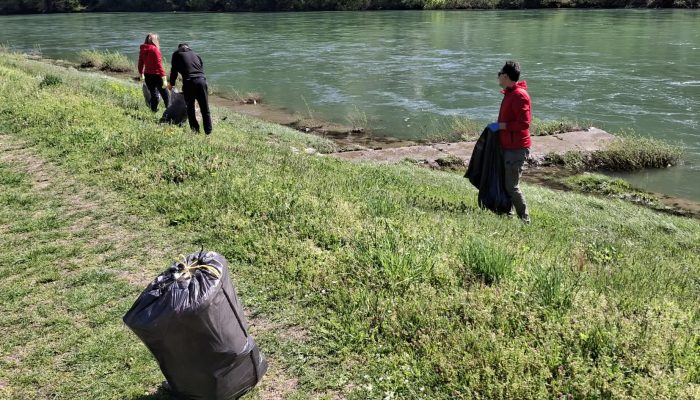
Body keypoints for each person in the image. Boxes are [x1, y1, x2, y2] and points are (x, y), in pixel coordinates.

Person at [487, 61, 532, 223]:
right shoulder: (510, 93)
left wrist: (501, 126)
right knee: (505, 183)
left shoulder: (519, 95)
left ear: (505, 76)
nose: (498, 76)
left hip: (516, 148)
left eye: (499, 73)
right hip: (508, 146)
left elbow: (524, 123)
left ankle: (525, 219)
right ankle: (507, 213)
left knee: (512, 186)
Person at [168, 43, 212, 135]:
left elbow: (174, 71)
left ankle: (195, 131)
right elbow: (201, 69)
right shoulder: (196, 54)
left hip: (189, 82)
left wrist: (171, 84)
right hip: (202, 81)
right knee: (205, 108)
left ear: (179, 48)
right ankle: (208, 132)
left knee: (190, 108)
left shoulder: (176, 54)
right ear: (188, 48)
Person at [138, 33, 170, 112]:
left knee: (153, 95)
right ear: (155, 41)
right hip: (157, 75)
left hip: (148, 76)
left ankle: (153, 111)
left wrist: (141, 73)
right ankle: (169, 113)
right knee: (166, 96)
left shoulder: (142, 49)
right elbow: (159, 65)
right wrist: (164, 78)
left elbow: (140, 63)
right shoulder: (155, 49)